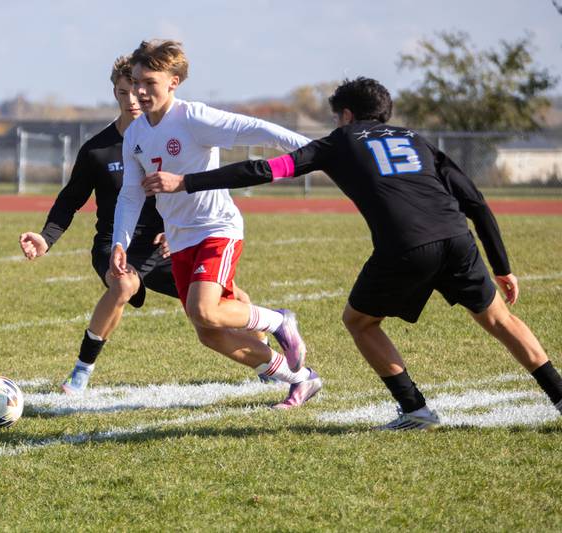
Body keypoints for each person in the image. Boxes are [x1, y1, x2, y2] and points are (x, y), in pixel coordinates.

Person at [142, 76, 562, 428]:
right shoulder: (417, 140)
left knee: (359, 322)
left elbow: (264, 170)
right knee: (499, 319)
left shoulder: (339, 141)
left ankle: (414, 408)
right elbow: (475, 201)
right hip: (456, 237)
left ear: (345, 115)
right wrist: (503, 266)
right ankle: (559, 396)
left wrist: (187, 182)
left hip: (404, 245)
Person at [19, 55, 272, 393]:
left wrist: (176, 230)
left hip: (166, 241)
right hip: (116, 243)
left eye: (139, 89)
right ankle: (81, 370)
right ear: (115, 93)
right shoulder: (98, 150)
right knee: (123, 285)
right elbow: (70, 199)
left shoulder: (166, 136)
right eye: (125, 92)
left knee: (229, 298)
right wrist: (46, 238)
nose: (134, 99)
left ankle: (268, 359)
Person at [110, 40, 322, 409]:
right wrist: (120, 243)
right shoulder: (135, 135)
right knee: (208, 331)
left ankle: (280, 321)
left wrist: (323, 153)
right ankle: (302, 379)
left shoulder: (193, 118)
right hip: (179, 238)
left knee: (206, 311)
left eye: (150, 83)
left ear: (174, 82)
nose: (140, 92)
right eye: (137, 82)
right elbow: (130, 195)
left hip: (215, 229)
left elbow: (258, 129)